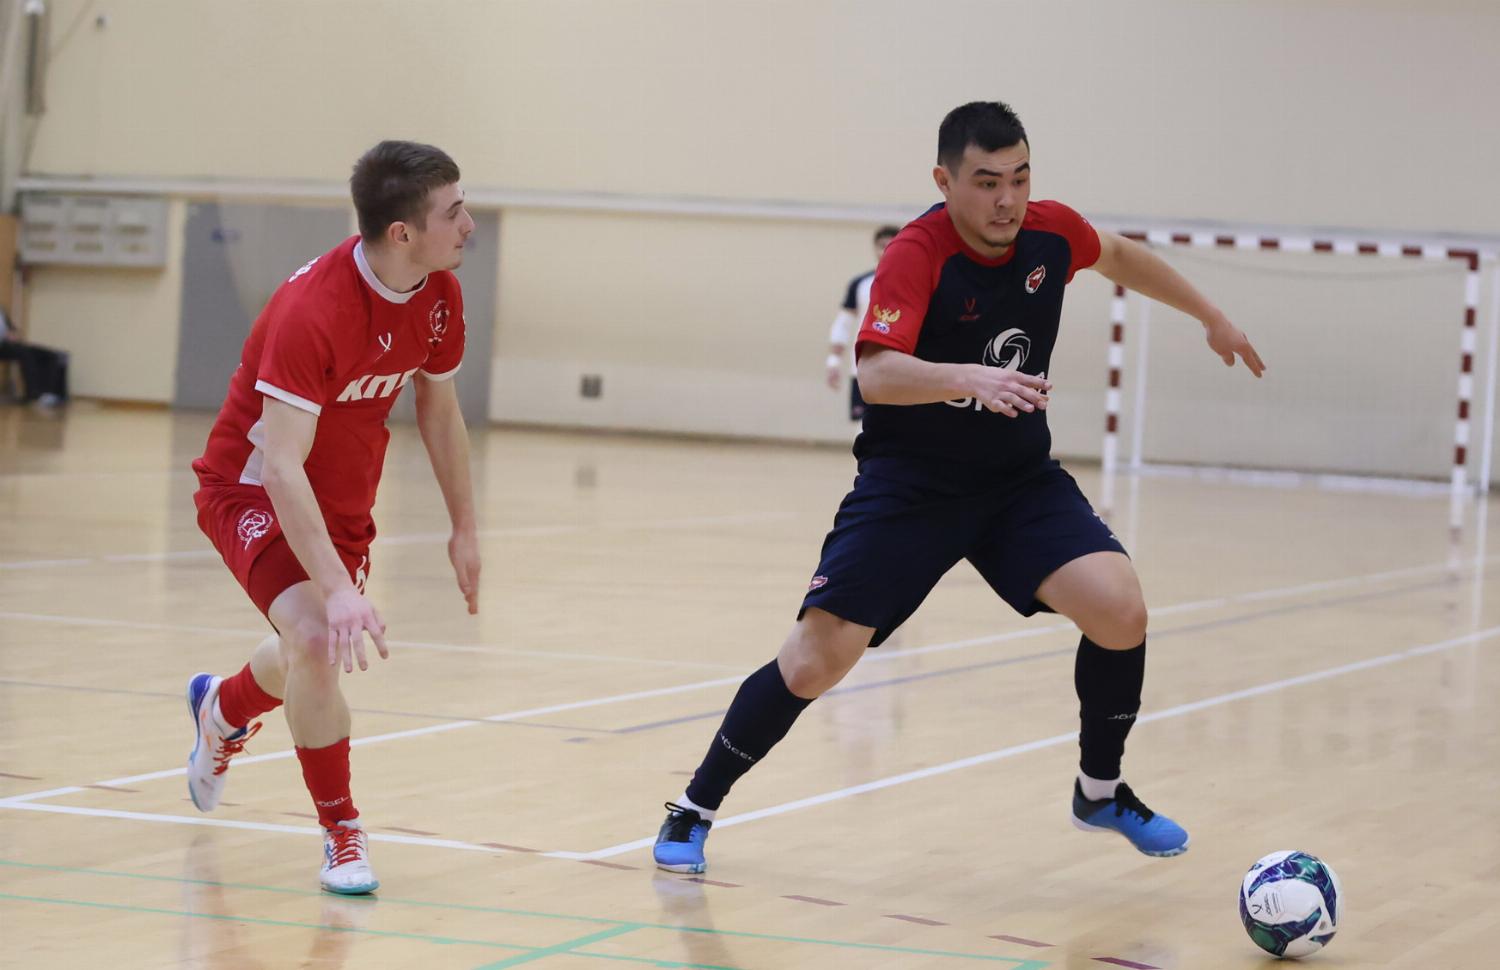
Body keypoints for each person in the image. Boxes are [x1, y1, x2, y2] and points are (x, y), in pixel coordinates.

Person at [652, 101, 1264, 874]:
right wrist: (964, 377)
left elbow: (1115, 255)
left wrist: (1210, 314)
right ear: (945, 182)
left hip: (1018, 483)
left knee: (1120, 610)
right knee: (815, 660)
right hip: (912, 486)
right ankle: (695, 806)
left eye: (1019, 178)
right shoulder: (917, 254)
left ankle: (1101, 791)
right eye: (986, 182)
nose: (1007, 199)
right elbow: (877, 375)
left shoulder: (1051, 232)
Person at [185, 140, 481, 895]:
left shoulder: (439, 295)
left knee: (304, 645)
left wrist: (464, 528)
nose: (468, 225)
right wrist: (340, 590)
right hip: (252, 488)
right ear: (402, 233)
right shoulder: (313, 310)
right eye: (453, 212)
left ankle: (223, 706)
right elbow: (281, 466)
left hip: (340, 503)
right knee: (318, 637)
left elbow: (439, 411)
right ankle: (342, 832)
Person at [825, 226, 899, 420]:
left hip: (900, 370)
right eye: (882, 245)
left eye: (891, 245)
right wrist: (833, 361)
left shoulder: (914, 283)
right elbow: (843, 324)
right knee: (863, 425)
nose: (885, 250)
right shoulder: (861, 284)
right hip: (862, 368)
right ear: (875, 248)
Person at [0, 304, 68, 407]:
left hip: (8, 344)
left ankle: (52, 393)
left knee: (51, 355)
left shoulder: (1, 310)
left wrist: (13, 333)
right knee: (25, 353)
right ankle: (33, 394)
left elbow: (12, 329)